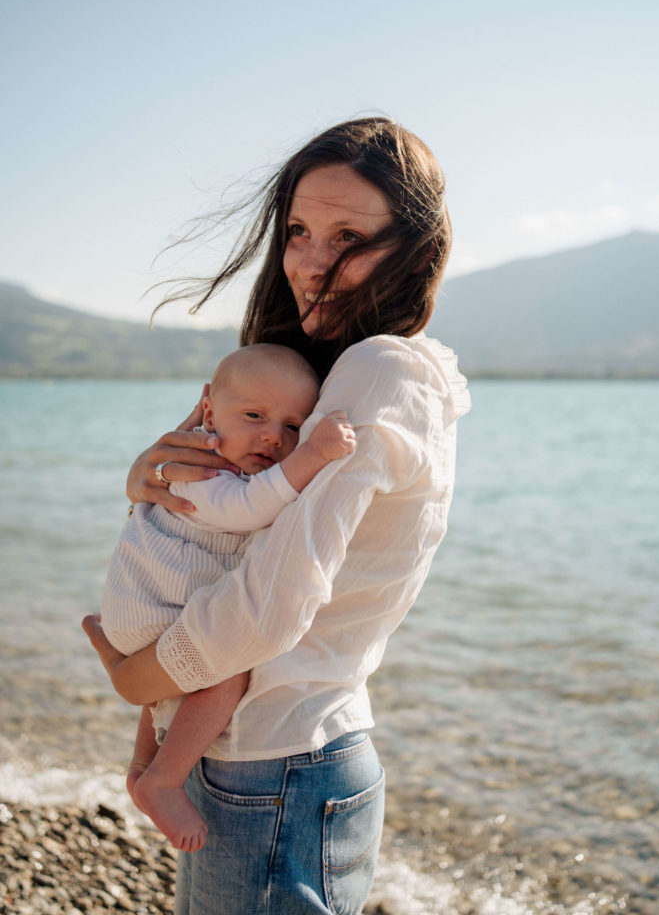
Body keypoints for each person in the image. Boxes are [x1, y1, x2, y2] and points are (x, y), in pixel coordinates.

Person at [83, 116, 471, 915]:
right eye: (297, 230)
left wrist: (134, 680)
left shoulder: (379, 370)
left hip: (283, 766)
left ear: (416, 249)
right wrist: (145, 481)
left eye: (347, 236)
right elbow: (225, 535)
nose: (311, 262)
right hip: (268, 761)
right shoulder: (328, 374)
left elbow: (269, 605)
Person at [101, 344, 356, 852]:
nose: (272, 435)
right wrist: (313, 453)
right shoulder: (202, 469)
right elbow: (249, 510)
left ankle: (141, 766)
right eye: (255, 415)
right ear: (209, 410)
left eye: (292, 427)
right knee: (226, 669)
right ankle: (164, 780)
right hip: (155, 610)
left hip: (150, 607)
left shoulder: (195, 461)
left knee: (175, 684)